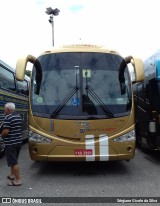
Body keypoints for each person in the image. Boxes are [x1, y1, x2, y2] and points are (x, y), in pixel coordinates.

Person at [0, 102, 22, 186]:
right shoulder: (18, 116)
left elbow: (6, 131)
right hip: (18, 142)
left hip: (10, 143)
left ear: (8, 109)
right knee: (14, 160)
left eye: (4, 109)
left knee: (13, 162)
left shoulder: (8, 117)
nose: (4, 110)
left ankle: (18, 180)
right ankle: (12, 176)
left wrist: (1, 135)